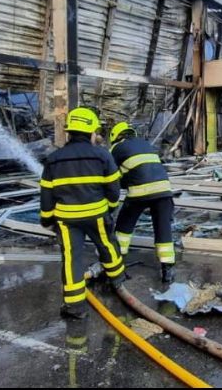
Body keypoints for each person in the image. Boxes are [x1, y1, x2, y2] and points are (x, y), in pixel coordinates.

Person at [40, 107, 125, 320]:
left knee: (71, 258)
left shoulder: (54, 159)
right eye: (96, 132)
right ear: (90, 133)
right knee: (107, 246)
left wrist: (47, 218)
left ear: (70, 132)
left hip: (67, 220)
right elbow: (114, 188)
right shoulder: (102, 156)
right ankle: (117, 281)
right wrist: (111, 207)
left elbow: (47, 195)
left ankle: (74, 306)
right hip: (97, 215)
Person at [109, 121, 176, 283]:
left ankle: (118, 263)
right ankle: (168, 271)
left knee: (124, 227)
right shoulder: (146, 144)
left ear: (115, 137)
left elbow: (111, 177)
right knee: (163, 229)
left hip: (140, 192)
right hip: (164, 191)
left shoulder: (116, 149)